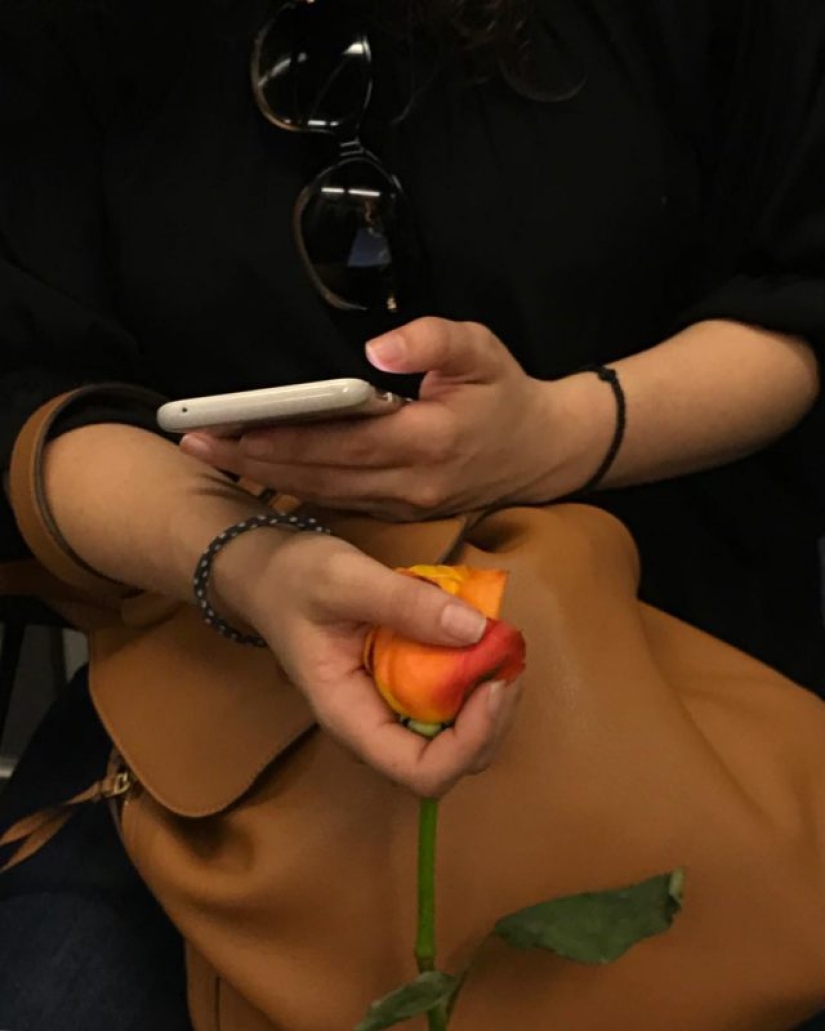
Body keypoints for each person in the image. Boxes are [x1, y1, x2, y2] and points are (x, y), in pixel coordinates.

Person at [1, 0, 824, 1027]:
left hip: (674, 647)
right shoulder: (68, 42)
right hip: (218, 679)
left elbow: (798, 289)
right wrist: (248, 563)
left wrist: (560, 432)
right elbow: (32, 391)